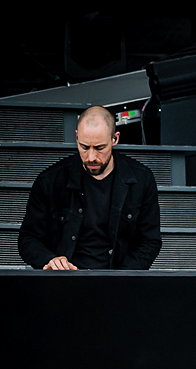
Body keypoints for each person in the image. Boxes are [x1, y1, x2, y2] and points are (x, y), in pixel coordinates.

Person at [18, 106, 162, 270]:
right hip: (65, 279)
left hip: (120, 280)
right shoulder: (50, 181)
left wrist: (122, 277)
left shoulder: (141, 179)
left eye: (100, 148)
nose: (91, 157)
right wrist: (50, 260)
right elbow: (28, 238)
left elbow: (150, 240)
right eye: (84, 147)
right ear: (76, 137)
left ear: (115, 139)